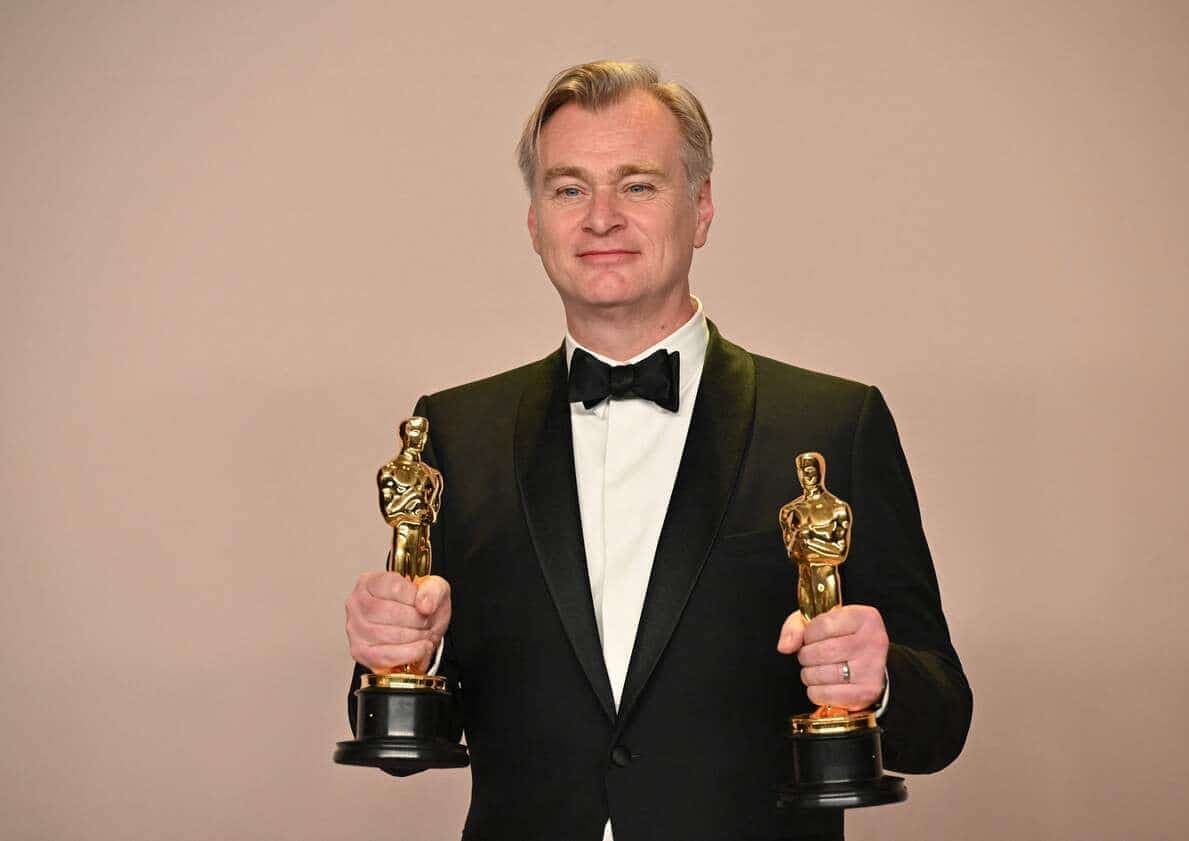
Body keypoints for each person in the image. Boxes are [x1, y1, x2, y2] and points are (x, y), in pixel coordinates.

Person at [343, 60, 971, 841]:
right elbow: (405, 742)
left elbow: (942, 720)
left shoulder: (833, 423)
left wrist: (877, 683)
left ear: (701, 208)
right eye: (569, 189)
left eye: (637, 185)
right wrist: (406, 653)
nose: (601, 218)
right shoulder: (454, 431)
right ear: (534, 222)